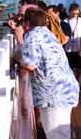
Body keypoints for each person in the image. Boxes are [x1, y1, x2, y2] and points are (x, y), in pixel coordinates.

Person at [19, 8, 79, 139]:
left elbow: (30, 64)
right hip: (64, 90)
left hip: (54, 94)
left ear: (27, 23)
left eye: (22, 20)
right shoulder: (47, 33)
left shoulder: (32, 35)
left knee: (56, 134)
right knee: (61, 132)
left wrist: (17, 58)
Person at [65, 3, 81, 71]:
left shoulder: (80, 20)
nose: (75, 15)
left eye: (77, 13)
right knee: (69, 69)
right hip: (67, 50)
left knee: (78, 69)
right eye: (73, 13)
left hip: (78, 49)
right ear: (69, 12)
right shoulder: (65, 22)